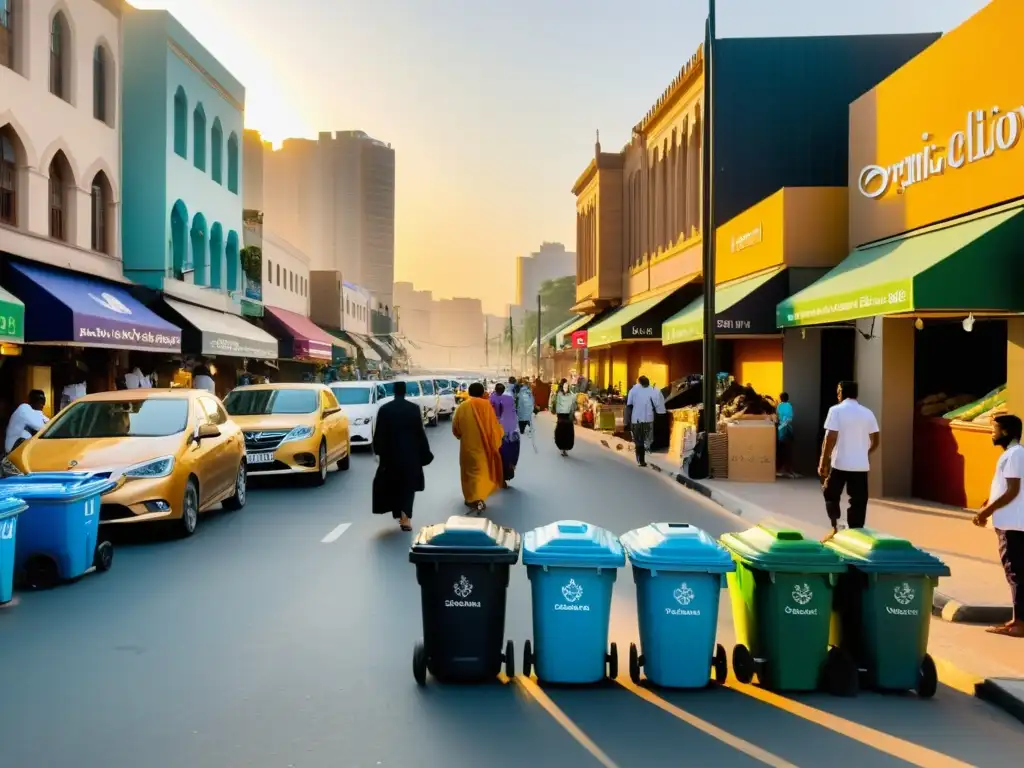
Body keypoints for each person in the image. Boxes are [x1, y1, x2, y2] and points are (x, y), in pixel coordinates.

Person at [973, 414, 1024, 637]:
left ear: (1006, 432)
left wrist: (986, 511)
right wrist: (989, 501)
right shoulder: (1013, 454)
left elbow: (1013, 490)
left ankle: (1018, 624)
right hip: (1011, 522)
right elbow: (1006, 487)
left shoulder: (1014, 454)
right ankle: (1017, 620)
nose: (991, 434)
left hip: (1012, 524)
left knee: (1015, 573)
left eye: (994, 429)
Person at [819, 381, 879, 541]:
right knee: (858, 501)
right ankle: (856, 532)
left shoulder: (836, 410)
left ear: (841, 392)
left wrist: (823, 461)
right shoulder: (868, 413)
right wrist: (863, 452)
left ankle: (835, 526)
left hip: (840, 464)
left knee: (831, 494)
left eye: (838, 391)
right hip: (860, 466)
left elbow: (830, 437)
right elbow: (876, 440)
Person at [372, 380, 434, 531]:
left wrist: (378, 451)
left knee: (394, 485)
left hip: (390, 455)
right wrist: (424, 452)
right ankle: (406, 518)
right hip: (410, 455)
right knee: (408, 486)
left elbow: (379, 432)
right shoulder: (413, 409)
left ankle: (399, 514)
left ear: (393, 391)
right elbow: (419, 432)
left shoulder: (385, 409)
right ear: (405, 391)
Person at [452, 382, 504, 512]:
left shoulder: (462, 407)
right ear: (482, 393)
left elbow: (456, 428)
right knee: (481, 472)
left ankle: (472, 499)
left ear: (469, 393)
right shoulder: (487, 406)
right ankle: (479, 498)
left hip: (468, 447)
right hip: (484, 448)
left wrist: (460, 436)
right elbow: (495, 428)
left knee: (469, 473)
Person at [625, 376, 666, 467]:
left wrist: (627, 421)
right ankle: (642, 457)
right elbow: (660, 407)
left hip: (636, 420)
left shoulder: (633, 391)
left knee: (638, 440)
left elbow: (629, 406)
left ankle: (640, 458)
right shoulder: (654, 391)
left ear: (639, 382)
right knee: (645, 440)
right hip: (648, 420)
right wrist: (660, 415)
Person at [491, 383, 520, 487]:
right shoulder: (509, 400)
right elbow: (513, 415)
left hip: (495, 432)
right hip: (507, 432)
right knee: (506, 456)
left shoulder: (491, 399)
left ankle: (496, 478)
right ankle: (504, 478)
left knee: (496, 456)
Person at [5, 390, 49, 454]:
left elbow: (49, 422)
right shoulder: (24, 408)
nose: (42, 405)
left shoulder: (34, 412)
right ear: (33, 401)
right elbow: (41, 427)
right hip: (13, 449)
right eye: (40, 402)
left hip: (21, 448)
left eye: (43, 402)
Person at [550, 378, 576, 457]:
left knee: (561, 432)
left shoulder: (557, 394)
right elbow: (574, 404)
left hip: (561, 417)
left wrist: (553, 410)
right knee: (567, 432)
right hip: (568, 417)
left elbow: (553, 404)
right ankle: (565, 449)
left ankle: (562, 448)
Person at [776, 392, 796, 478]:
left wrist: (781, 425)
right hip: (788, 431)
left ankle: (781, 470)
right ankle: (788, 470)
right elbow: (790, 418)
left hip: (781, 432)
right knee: (788, 451)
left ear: (781, 398)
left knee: (781, 451)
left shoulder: (779, 406)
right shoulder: (789, 406)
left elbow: (778, 417)